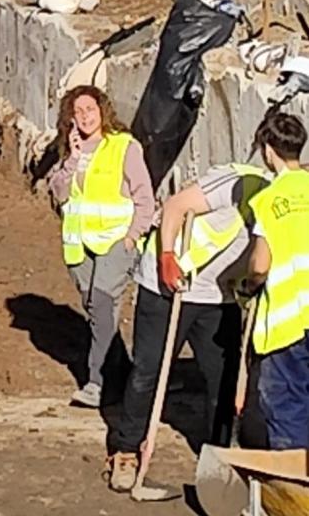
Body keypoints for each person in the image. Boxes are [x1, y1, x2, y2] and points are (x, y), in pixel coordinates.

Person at [103, 155, 271, 491]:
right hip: (169, 284)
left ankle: (220, 455)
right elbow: (177, 205)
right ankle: (127, 449)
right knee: (148, 371)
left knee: (223, 377)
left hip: (218, 296)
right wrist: (167, 256)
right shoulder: (239, 182)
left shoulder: (290, 209)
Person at [49, 85, 151, 409]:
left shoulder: (124, 147)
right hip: (80, 246)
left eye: (89, 110)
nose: (84, 117)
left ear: (102, 110)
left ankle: (96, 382)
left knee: (103, 305)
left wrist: (132, 236)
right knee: (97, 312)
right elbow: (60, 194)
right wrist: (73, 161)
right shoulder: (72, 152)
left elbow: (143, 197)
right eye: (77, 112)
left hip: (117, 242)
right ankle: (127, 377)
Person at [245, 111, 309, 450]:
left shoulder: (269, 200)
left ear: (269, 150)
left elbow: (260, 264)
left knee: (287, 402)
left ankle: (294, 485)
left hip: (290, 320)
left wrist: (248, 285)